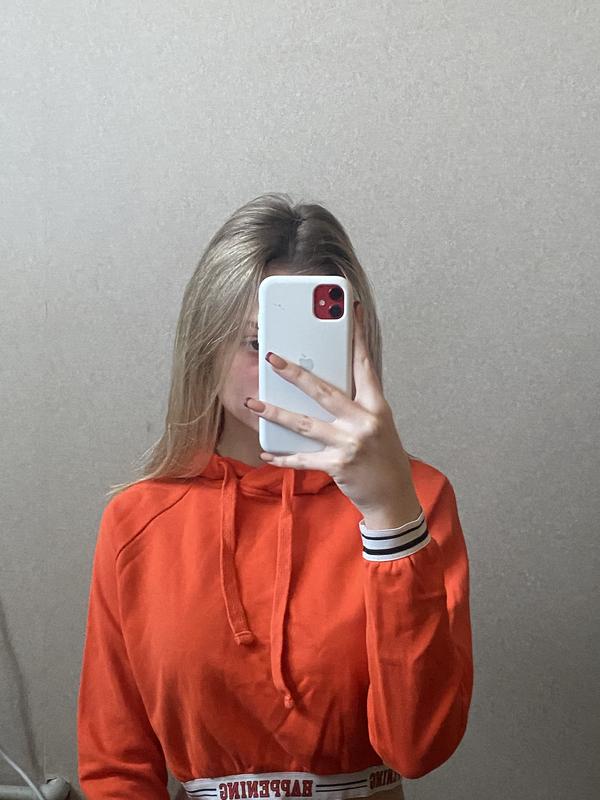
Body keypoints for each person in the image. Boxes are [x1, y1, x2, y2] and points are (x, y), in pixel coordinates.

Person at [77, 192, 474, 800]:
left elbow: (418, 747)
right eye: (254, 343)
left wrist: (389, 518)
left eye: (309, 347)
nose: (282, 371)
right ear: (205, 343)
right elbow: (116, 768)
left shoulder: (414, 498)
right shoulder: (138, 520)